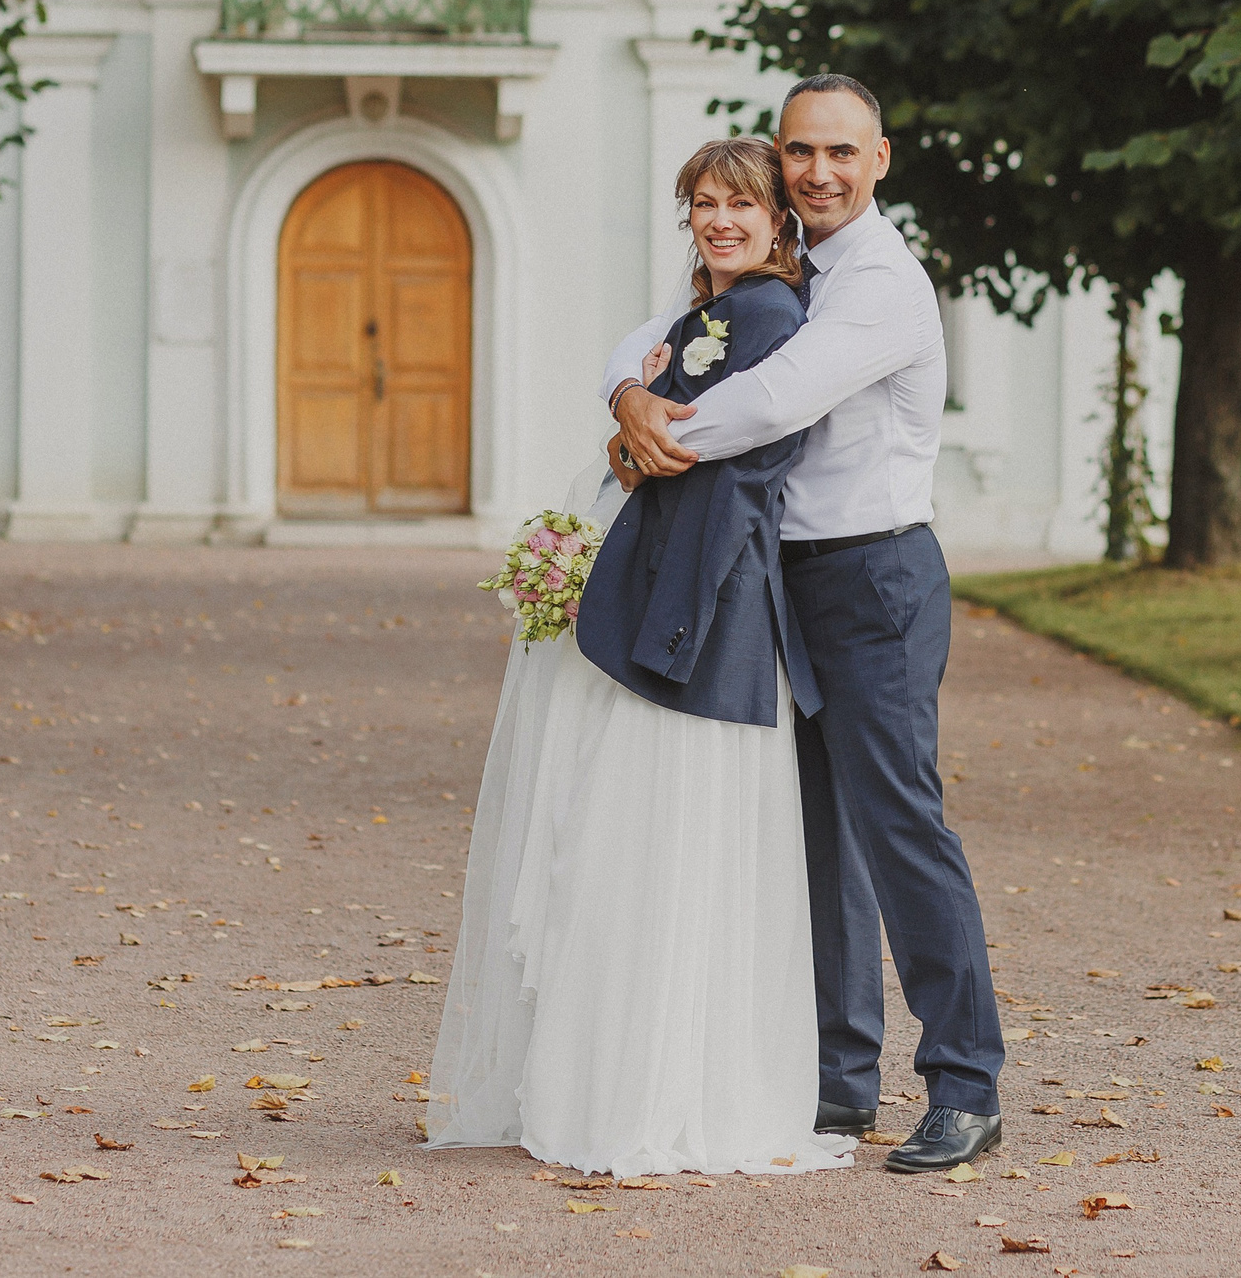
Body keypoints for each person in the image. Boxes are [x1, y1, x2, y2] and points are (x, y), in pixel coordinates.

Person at [421, 136, 854, 1180]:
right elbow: (646, 383)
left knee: (662, 837)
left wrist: (641, 454)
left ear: (777, 220)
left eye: (741, 204)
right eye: (703, 202)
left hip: (703, 607)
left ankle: (646, 1085)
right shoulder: (700, 315)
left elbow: (736, 468)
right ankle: (621, 1075)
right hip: (668, 579)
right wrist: (627, 410)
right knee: (630, 838)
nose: (719, 219)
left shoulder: (764, 315)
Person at [603, 73, 1005, 1175]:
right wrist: (623, 391)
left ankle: (967, 1083)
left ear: (882, 158)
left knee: (897, 825)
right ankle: (838, 1084)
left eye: (840, 151)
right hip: (780, 580)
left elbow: (776, 400)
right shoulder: (789, 264)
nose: (817, 171)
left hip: (873, 579)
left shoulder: (882, 283)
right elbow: (658, 330)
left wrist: (654, 424)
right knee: (816, 839)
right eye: (798, 152)